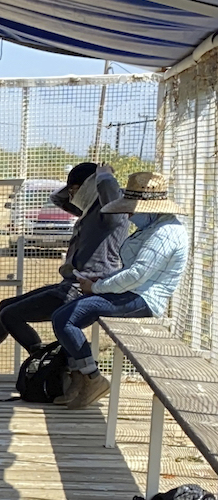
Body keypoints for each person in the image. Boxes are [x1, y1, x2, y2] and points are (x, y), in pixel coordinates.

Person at [0, 162, 129, 384]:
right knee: (5, 306)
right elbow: (59, 200)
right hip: (71, 285)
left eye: (76, 189)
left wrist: (104, 177)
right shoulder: (92, 210)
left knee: (10, 315)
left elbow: (113, 206)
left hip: (85, 290)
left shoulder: (111, 212)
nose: (73, 196)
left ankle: (47, 362)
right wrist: (81, 186)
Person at [51, 170, 189, 409]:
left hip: (144, 299)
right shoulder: (153, 227)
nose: (130, 214)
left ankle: (92, 378)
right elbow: (132, 270)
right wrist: (102, 281)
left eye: (133, 209)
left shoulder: (165, 233)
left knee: (67, 319)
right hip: (133, 292)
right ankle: (83, 376)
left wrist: (97, 286)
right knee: (62, 316)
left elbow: (137, 275)